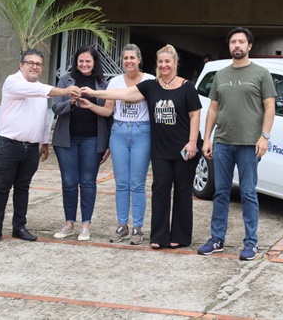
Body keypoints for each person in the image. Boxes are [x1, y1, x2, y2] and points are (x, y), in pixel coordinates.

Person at [81, 44, 201, 249]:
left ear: (175, 63)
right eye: (161, 62)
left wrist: (192, 142)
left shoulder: (187, 86)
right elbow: (124, 94)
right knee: (160, 190)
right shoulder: (150, 86)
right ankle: (159, 236)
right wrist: (93, 94)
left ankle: (179, 236)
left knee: (181, 192)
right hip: (160, 148)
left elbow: (195, 114)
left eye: (167, 61)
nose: (164, 65)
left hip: (182, 146)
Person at [197, 27, 276, 261]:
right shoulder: (220, 75)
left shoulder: (261, 73)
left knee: (249, 192)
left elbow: (270, 106)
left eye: (241, 42)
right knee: (221, 192)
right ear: (229, 46)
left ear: (249, 46)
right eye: (233, 42)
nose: (237, 45)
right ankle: (217, 239)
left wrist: (265, 136)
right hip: (222, 142)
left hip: (249, 144)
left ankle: (251, 243)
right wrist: (207, 138)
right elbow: (213, 108)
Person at [0, 48, 81, 245]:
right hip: (9, 145)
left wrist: (44, 142)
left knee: (23, 188)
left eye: (38, 64)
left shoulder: (41, 89)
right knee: (2, 187)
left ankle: (19, 226)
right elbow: (39, 91)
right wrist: (64, 91)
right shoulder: (13, 82)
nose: (34, 66)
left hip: (31, 148)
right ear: (21, 65)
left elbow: (43, 120)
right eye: (30, 63)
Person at [82, 44, 154, 245]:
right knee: (121, 183)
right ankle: (122, 225)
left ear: (139, 59)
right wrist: (90, 105)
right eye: (125, 58)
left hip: (142, 132)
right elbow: (107, 111)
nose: (128, 61)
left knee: (137, 184)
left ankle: (137, 228)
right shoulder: (114, 81)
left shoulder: (149, 80)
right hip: (119, 132)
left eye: (132, 57)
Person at [51, 46, 112, 242]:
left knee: (87, 182)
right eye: (81, 61)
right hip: (66, 140)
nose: (84, 64)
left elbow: (109, 114)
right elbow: (55, 108)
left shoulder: (103, 84)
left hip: (93, 139)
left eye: (88, 61)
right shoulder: (65, 80)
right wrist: (70, 102)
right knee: (69, 182)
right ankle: (69, 223)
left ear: (94, 63)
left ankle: (86, 225)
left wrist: (108, 143)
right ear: (76, 61)